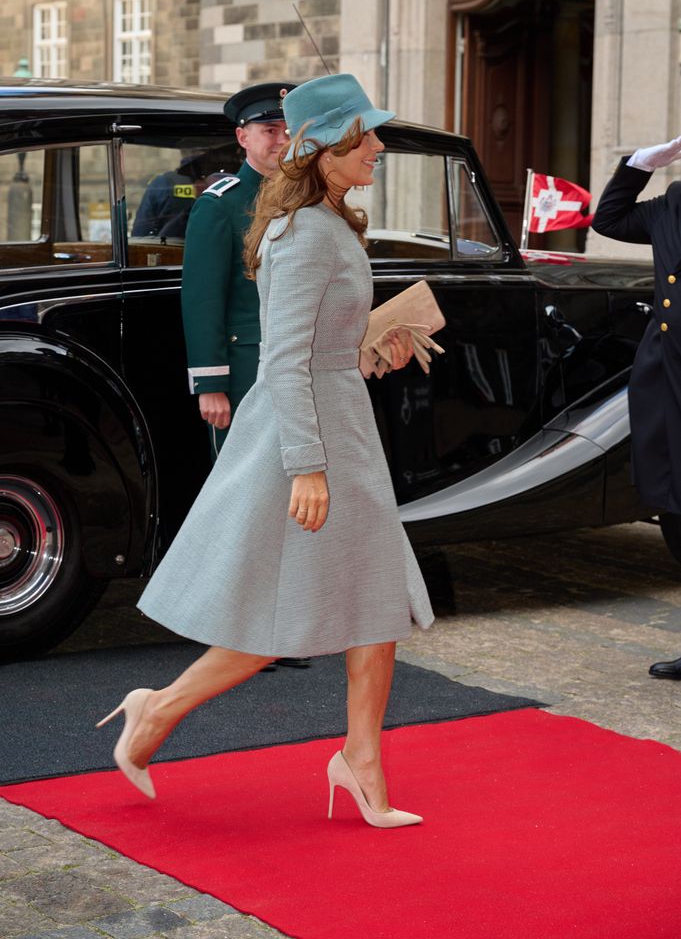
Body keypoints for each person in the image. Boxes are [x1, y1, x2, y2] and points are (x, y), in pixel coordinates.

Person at [96, 72, 435, 827]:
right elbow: (283, 361)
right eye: (366, 135)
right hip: (309, 438)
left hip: (339, 423)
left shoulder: (331, 221)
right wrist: (307, 467)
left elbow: (318, 346)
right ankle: (154, 712)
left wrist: (377, 345)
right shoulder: (305, 232)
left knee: (374, 602)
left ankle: (361, 760)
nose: (378, 146)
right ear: (325, 145)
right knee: (269, 621)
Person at [592, 135, 681, 679]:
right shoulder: (672, 202)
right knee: (672, 507)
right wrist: (639, 166)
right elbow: (609, 220)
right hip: (666, 378)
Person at [182, 82, 295, 462]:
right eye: (269, 131)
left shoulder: (305, 197)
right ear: (242, 136)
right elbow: (203, 298)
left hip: (296, 362)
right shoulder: (220, 205)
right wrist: (211, 384)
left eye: (288, 131)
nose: (282, 140)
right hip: (245, 363)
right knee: (240, 483)